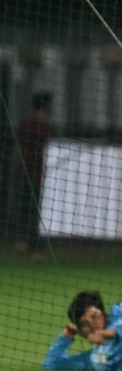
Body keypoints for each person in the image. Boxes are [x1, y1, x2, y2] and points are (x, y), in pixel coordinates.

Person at [15, 91, 54, 257]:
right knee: (36, 211)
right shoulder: (43, 126)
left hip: (24, 174)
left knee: (26, 209)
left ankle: (23, 243)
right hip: (38, 176)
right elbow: (44, 152)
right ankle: (35, 247)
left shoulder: (24, 124)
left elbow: (19, 150)